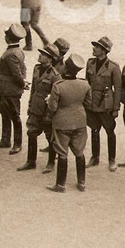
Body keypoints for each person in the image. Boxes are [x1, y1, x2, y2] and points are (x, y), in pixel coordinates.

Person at [46, 53, 92, 193]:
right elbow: (88, 103)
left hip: (62, 122)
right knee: (79, 152)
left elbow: (52, 107)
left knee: (62, 152)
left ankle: (60, 184)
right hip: (79, 121)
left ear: (65, 68)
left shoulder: (58, 86)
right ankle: (82, 182)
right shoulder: (84, 84)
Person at [19, 45, 60, 173]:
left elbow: (56, 97)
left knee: (50, 137)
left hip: (47, 111)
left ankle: (51, 162)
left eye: (43, 54)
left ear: (50, 59)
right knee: (31, 133)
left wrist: (50, 114)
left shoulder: (55, 75)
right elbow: (34, 90)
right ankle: (31, 161)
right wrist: (30, 105)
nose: (40, 55)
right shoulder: (36, 68)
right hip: (36, 108)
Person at [84, 37, 122, 171]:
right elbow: (87, 83)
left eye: (97, 47)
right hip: (92, 103)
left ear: (104, 51)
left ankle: (112, 159)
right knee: (94, 130)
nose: (94, 49)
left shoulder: (113, 67)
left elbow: (118, 89)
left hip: (106, 104)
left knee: (110, 131)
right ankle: (95, 157)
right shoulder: (90, 63)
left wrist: (116, 108)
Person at [0, 24, 27, 153]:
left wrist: (22, 83)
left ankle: (17, 143)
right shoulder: (18, 51)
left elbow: (16, 73)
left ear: (8, 38)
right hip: (7, 89)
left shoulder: (11, 54)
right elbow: (23, 70)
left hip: (9, 90)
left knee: (14, 115)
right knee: (5, 113)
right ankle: (6, 139)